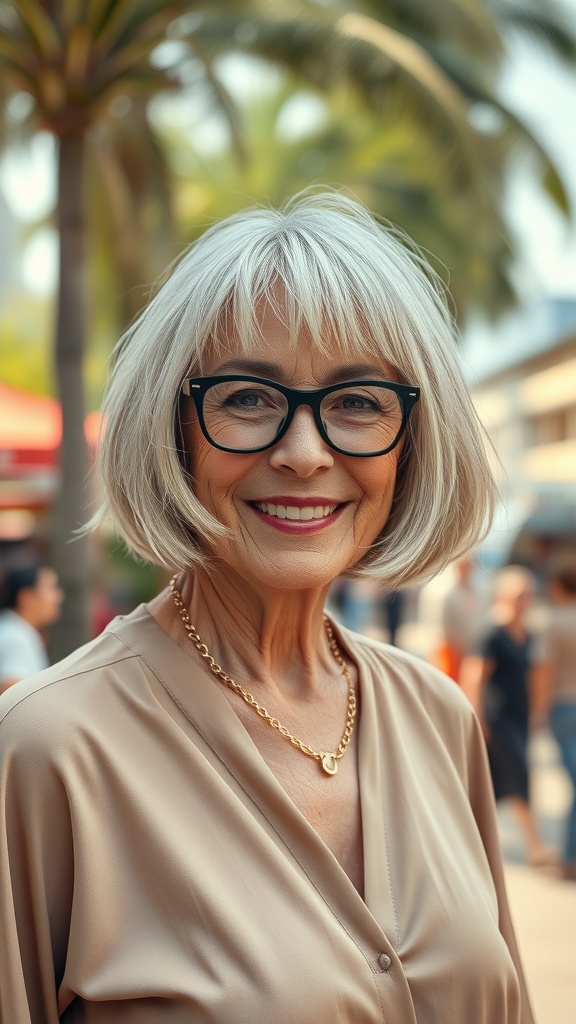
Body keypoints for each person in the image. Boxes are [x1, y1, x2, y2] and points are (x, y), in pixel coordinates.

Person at [0, 191, 534, 1023]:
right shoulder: (49, 748)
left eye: (358, 401)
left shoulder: (438, 716)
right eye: (248, 397)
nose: (304, 452)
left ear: (412, 441)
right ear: (174, 427)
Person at [462, 565, 552, 867]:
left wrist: (537, 712)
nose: (524, 601)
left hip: (519, 717)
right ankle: (535, 845)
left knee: (489, 784)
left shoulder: (526, 633)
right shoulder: (491, 633)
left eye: (528, 595)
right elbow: (474, 677)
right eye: (519, 595)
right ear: (502, 596)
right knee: (518, 774)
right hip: (496, 719)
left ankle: (470, 842)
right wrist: (476, 718)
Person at [537, 558, 576, 881]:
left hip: (563, 707)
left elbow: (544, 672)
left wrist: (537, 712)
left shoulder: (554, 622)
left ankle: (571, 858)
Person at [0, 562, 63, 693]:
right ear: (26, 597)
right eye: (51, 588)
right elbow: (11, 689)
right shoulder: (15, 638)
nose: (59, 597)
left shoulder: (16, 629)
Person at [434, 554, 487, 683]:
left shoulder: (479, 591)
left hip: (473, 651)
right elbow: (445, 629)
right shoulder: (448, 593)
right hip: (452, 652)